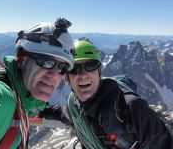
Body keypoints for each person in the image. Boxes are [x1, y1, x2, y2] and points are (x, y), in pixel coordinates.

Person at [40, 40, 173, 149]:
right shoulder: (75, 109)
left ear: (99, 71)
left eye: (90, 66)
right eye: (74, 69)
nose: (83, 74)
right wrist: (33, 107)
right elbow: (59, 113)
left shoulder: (130, 107)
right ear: (67, 78)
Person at [0, 17, 75, 149]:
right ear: (21, 58)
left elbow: (32, 106)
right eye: (46, 61)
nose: (55, 75)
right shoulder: (3, 101)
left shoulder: (24, 100)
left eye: (62, 68)